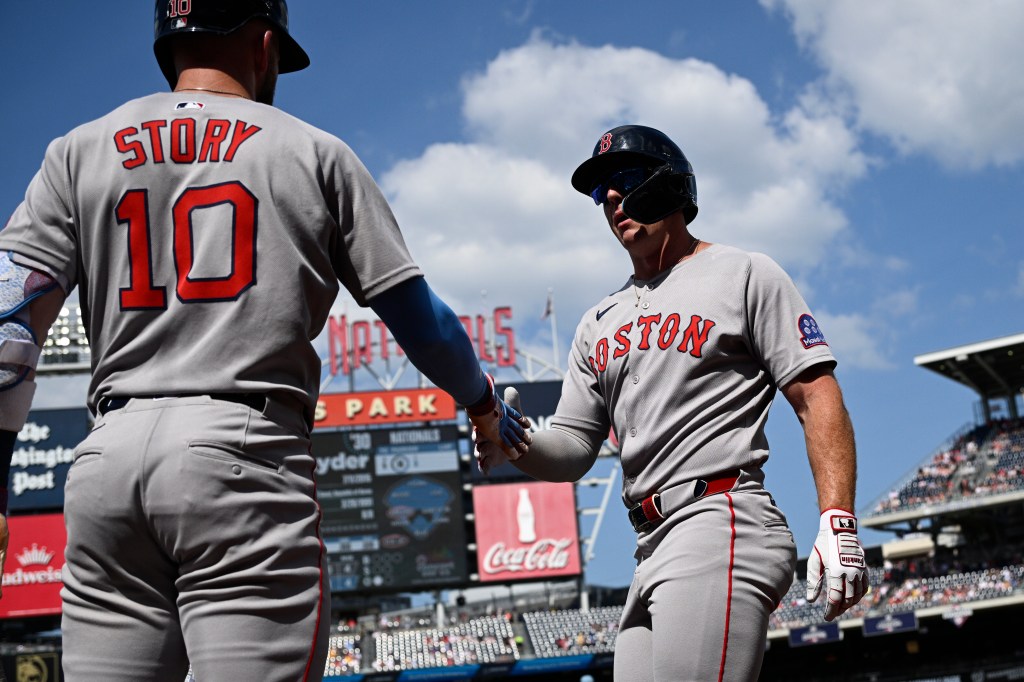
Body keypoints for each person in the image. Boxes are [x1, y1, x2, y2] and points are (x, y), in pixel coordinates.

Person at [0, 2, 529, 680]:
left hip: (106, 462)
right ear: (265, 45)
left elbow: (11, 330)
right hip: (242, 455)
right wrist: (482, 403)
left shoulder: (77, 150)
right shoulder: (311, 150)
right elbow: (421, 322)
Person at [475, 124, 868, 681]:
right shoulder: (597, 321)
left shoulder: (743, 272)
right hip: (649, 545)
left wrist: (837, 517)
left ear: (672, 186)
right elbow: (574, 447)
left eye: (626, 179)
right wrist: (513, 440)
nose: (612, 198)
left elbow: (816, 393)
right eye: (601, 192)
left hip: (718, 517)